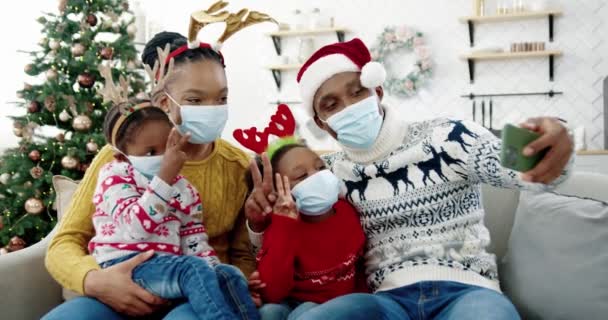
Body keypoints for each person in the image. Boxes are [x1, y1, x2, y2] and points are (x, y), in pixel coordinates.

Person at [246, 38, 574, 320]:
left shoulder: (450, 136)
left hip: (468, 291)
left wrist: (554, 140)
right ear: (323, 123)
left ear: (377, 91)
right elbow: (288, 235)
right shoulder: (325, 174)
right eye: (331, 105)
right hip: (383, 302)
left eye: (357, 92)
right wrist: (258, 224)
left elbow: (530, 169)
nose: (348, 107)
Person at [43, 31, 256, 320]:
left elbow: (242, 254)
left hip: (195, 294)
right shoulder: (119, 157)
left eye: (221, 98)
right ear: (165, 101)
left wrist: (237, 286)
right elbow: (63, 242)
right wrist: (96, 281)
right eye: (195, 100)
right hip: (115, 287)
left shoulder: (238, 164)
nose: (213, 110)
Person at [84, 99, 259, 319]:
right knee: (192, 269)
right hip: (126, 264)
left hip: (169, 265)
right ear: (122, 155)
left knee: (228, 273)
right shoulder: (115, 177)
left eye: (167, 148)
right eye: (150, 152)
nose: (162, 158)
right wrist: (164, 178)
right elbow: (136, 227)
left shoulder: (184, 189)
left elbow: (194, 242)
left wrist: (214, 272)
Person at [235, 106, 367, 320]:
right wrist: (283, 225)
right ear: (277, 193)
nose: (317, 177)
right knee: (269, 312)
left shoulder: (347, 211)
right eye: (301, 176)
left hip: (340, 306)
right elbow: (272, 291)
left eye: (320, 167)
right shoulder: (282, 226)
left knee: (306, 313)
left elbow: (362, 267)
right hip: (292, 302)